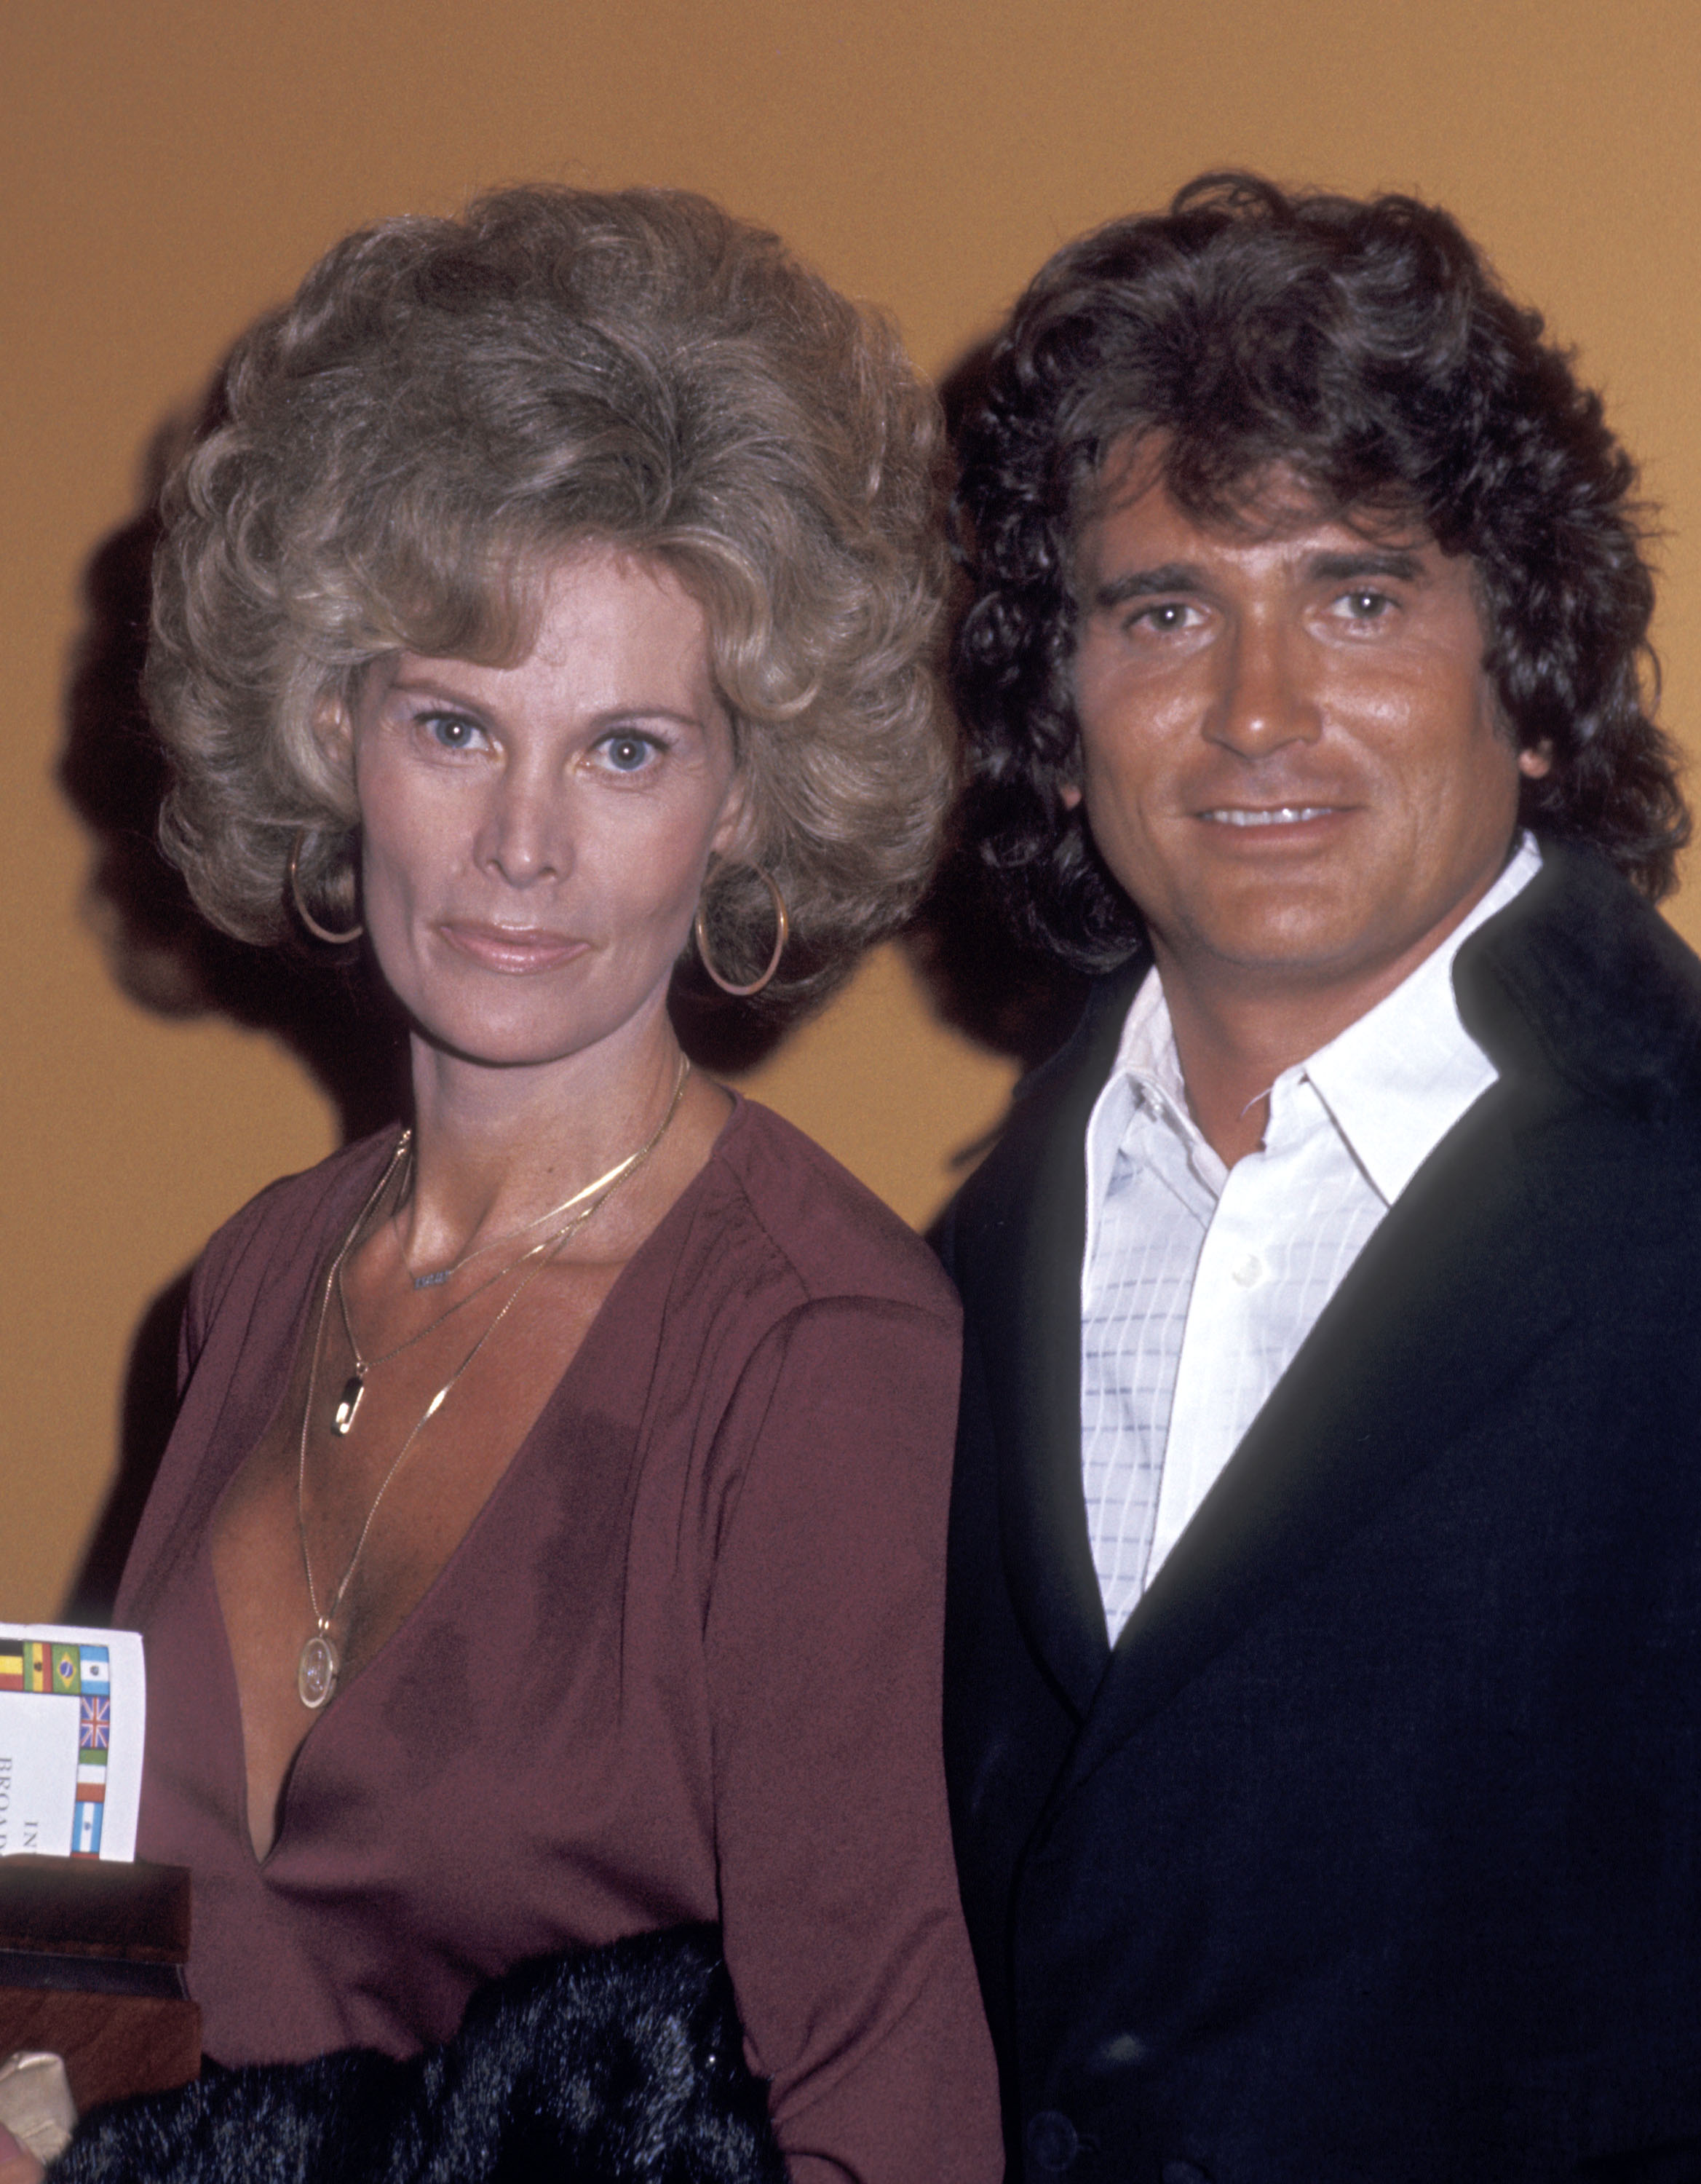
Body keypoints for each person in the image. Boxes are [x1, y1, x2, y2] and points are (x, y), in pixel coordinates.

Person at [0, 186, 1002, 2184]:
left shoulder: (816, 1348)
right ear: (329, 735)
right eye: (456, 725)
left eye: (626, 751)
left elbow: (891, 2106)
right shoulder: (262, 1277)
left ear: (742, 807)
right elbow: (103, 1927)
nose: (523, 845)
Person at [937, 172, 1701, 2180]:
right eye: (1165, 610)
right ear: (1061, 719)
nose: (1256, 711)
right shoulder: (928, 1288)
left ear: (1538, 666)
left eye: (1359, 593)